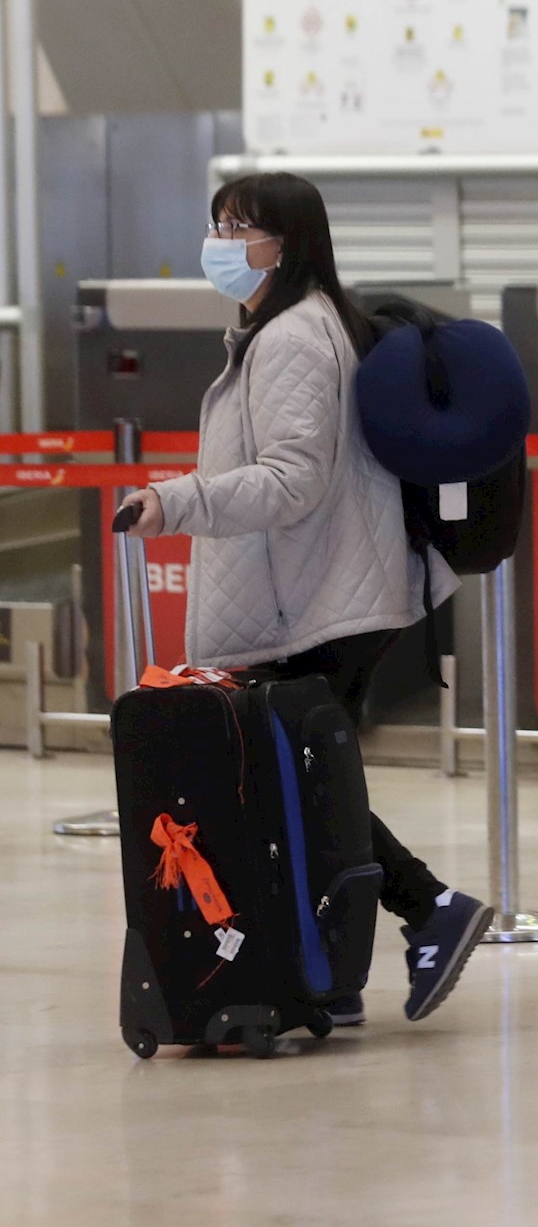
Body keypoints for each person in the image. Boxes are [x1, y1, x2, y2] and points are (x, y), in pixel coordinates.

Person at [122, 172, 493, 1029]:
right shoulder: (290, 326)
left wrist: (176, 502)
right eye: (217, 221)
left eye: (241, 226)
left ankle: (429, 908)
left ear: (286, 243)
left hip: (317, 604)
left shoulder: (293, 337)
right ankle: (336, 966)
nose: (222, 241)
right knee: (308, 781)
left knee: (302, 780)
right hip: (322, 594)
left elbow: (292, 482)